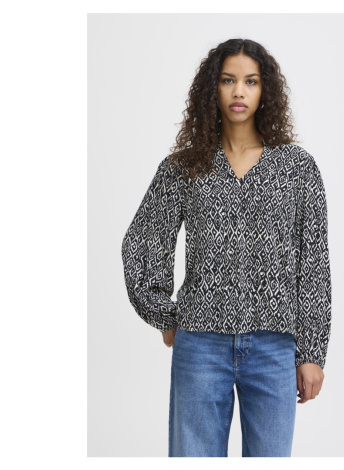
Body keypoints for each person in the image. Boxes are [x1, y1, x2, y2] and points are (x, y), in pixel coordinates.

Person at [121, 38, 332, 457]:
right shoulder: (184, 167)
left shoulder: (297, 168)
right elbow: (143, 241)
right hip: (200, 345)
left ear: (265, 90)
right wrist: (165, 315)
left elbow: (313, 263)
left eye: (250, 81)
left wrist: (312, 352)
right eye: (227, 80)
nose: (239, 91)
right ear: (211, 89)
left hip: (274, 346)